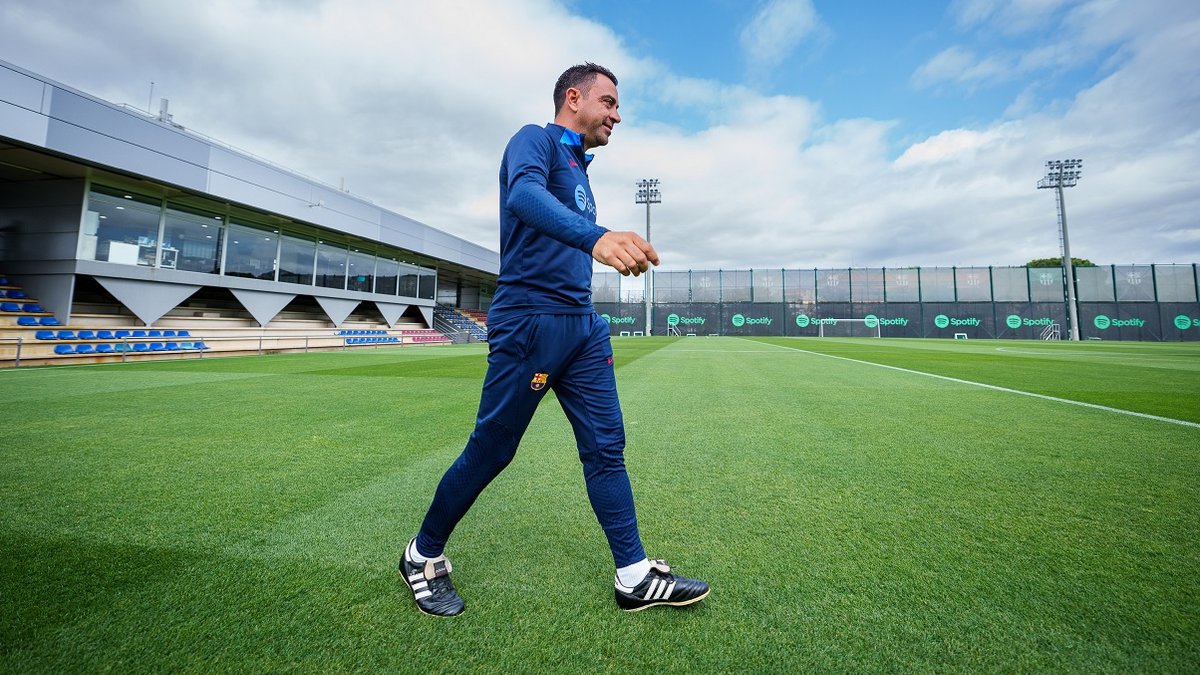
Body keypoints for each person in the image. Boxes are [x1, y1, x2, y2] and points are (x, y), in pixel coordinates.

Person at [400, 63, 709, 616]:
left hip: (582, 326)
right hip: (530, 321)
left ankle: (634, 575)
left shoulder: (579, 168)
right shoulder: (534, 140)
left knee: (606, 446)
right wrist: (598, 237)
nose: (617, 115)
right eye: (609, 102)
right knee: (493, 450)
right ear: (573, 98)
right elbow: (523, 197)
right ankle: (421, 555)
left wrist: (601, 245)